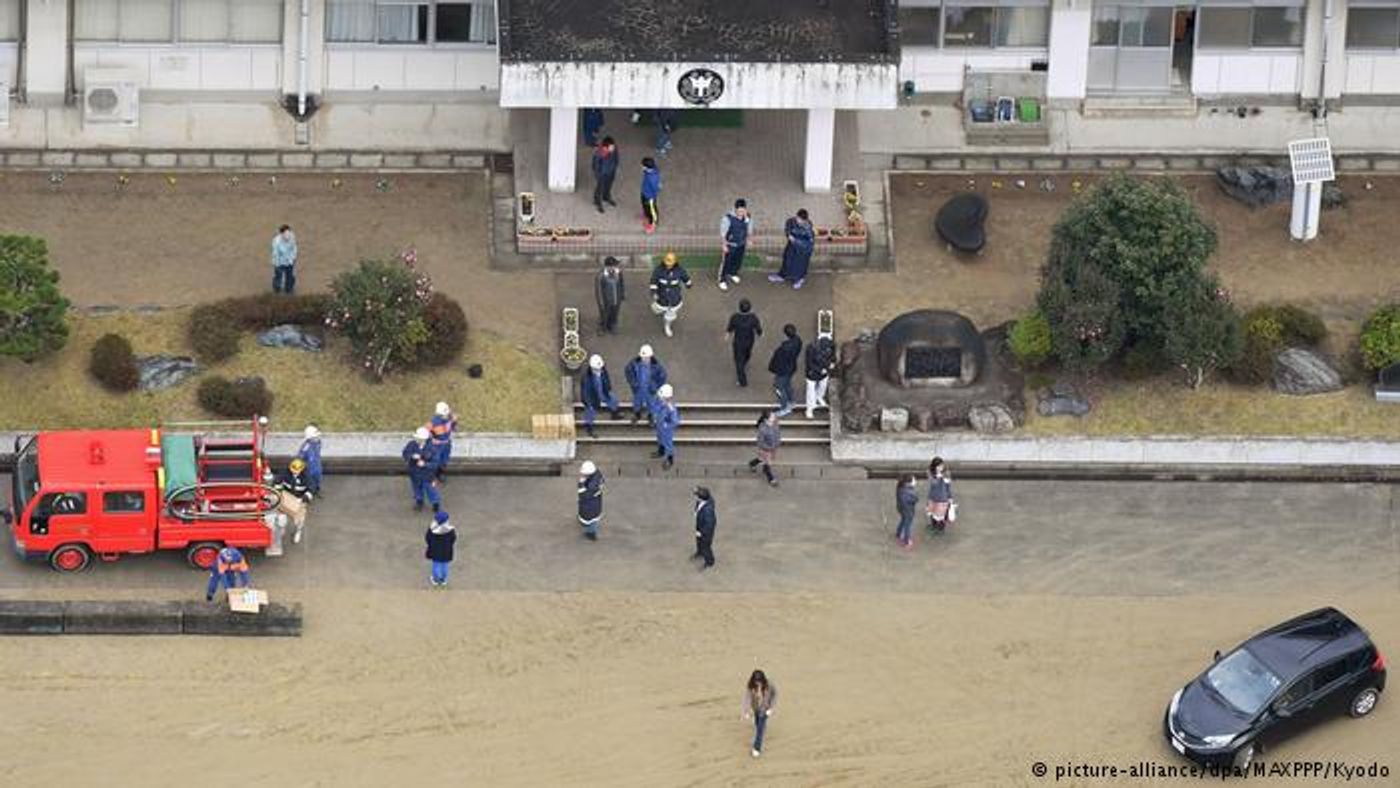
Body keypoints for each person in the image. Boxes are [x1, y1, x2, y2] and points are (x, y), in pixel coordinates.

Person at [649, 251, 692, 338]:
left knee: (670, 315)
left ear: (675, 262)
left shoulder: (680, 270)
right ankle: (658, 309)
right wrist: (653, 293)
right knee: (656, 309)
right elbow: (653, 282)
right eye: (667, 263)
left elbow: (687, 279)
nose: (668, 265)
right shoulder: (658, 270)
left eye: (670, 264)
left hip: (674, 298)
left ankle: (667, 326)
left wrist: (688, 284)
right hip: (662, 297)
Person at [770, 209, 814, 290]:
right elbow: (787, 229)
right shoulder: (791, 221)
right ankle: (782, 275)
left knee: (799, 265)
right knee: (787, 259)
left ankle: (799, 279)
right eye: (798, 219)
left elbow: (809, 242)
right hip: (791, 246)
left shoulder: (808, 228)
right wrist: (789, 235)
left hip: (802, 250)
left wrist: (796, 241)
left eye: (801, 220)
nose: (799, 221)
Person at [624, 344, 668, 424]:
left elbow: (663, 376)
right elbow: (628, 372)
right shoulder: (634, 364)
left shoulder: (656, 366)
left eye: (647, 357)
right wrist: (633, 383)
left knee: (651, 404)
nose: (645, 359)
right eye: (643, 357)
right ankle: (637, 415)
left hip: (650, 390)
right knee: (637, 403)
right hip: (638, 388)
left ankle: (650, 416)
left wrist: (656, 386)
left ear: (650, 356)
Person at [580, 354, 621, 438]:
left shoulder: (603, 371)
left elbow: (607, 380)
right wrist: (588, 402)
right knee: (590, 413)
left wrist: (608, 390)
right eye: (596, 369)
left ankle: (614, 414)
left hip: (603, 392)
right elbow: (585, 391)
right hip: (592, 397)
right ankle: (589, 429)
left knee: (614, 400)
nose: (598, 370)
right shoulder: (586, 378)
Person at [402, 427, 442, 513]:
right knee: (417, 488)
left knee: (430, 489)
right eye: (417, 438)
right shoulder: (411, 444)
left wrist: (425, 464)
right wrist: (411, 456)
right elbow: (405, 453)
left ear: (424, 439)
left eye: (419, 439)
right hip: (415, 473)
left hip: (427, 474)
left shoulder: (432, 448)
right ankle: (419, 501)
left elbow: (435, 464)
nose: (417, 440)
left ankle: (435, 503)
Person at [274, 458, 314, 545]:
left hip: (300, 499)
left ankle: (298, 531)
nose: (294, 472)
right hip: (286, 498)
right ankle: (281, 530)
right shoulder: (285, 472)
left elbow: (311, 490)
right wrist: (280, 494)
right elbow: (277, 483)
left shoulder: (306, 477)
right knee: (281, 518)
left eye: (297, 471)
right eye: (293, 470)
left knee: (299, 519)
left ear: (302, 469)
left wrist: (303, 499)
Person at [767, 324, 803, 417]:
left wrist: (773, 368)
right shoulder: (798, 341)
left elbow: (777, 361)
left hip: (782, 370)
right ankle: (791, 401)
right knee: (787, 385)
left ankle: (784, 407)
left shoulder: (783, 349)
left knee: (779, 388)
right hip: (791, 367)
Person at [725, 298, 762, 387]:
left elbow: (731, 327)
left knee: (738, 362)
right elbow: (758, 329)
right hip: (749, 340)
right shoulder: (753, 318)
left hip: (738, 341)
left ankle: (742, 381)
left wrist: (727, 333)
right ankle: (745, 360)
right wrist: (759, 334)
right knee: (747, 353)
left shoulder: (735, 317)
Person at [743, 670, 778, 758]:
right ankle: (761, 729)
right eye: (756, 681)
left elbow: (775, 695)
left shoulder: (769, 685)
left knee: (760, 729)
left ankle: (756, 748)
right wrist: (746, 711)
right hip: (756, 709)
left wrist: (771, 708)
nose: (758, 683)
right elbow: (747, 698)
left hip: (765, 710)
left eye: (759, 681)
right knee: (757, 724)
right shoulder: (750, 686)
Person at [719, 199, 751, 291]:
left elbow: (749, 228)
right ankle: (722, 280)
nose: (741, 213)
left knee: (738, 261)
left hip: (741, 244)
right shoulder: (727, 218)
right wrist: (724, 245)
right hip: (730, 244)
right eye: (739, 211)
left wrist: (749, 239)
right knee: (726, 262)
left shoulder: (747, 217)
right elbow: (723, 233)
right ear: (735, 209)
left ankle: (733, 273)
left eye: (743, 210)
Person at [803, 334, 837, 419]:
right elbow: (809, 363)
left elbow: (833, 357)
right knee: (810, 392)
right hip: (812, 373)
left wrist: (832, 363)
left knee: (823, 386)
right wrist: (819, 370)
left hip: (824, 372)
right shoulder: (811, 348)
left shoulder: (831, 345)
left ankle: (819, 397)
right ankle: (809, 409)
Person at [748, 410, 781, 488]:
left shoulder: (775, 424)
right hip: (765, 449)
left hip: (773, 448)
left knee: (761, 459)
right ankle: (771, 478)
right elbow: (760, 442)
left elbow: (777, 433)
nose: (774, 417)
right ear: (767, 420)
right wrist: (768, 448)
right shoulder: (762, 429)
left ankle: (752, 463)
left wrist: (777, 442)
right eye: (772, 416)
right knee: (767, 463)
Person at [427, 401, 458, 484]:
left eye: (447, 413)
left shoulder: (449, 418)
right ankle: (433, 475)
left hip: (446, 444)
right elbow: (426, 432)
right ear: (438, 414)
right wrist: (431, 440)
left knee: (444, 460)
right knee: (435, 460)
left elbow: (454, 428)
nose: (446, 415)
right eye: (444, 414)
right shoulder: (433, 422)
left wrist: (454, 422)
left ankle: (441, 473)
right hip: (437, 445)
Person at [424, 510, 457, 587]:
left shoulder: (432, 529)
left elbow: (427, 538)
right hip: (446, 550)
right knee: (445, 565)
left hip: (435, 551)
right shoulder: (450, 530)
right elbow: (453, 538)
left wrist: (430, 545)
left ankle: (436, 580)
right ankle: (443, 580)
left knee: (436, 565)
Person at [595, 256, 626, 334]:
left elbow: (621, 284)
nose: (613, 268)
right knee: (605, 313)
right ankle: (603, 327)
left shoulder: (618, 273)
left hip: (616, 298)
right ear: (607, 266)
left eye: (614, 266)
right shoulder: (601, 276)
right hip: (606, 300)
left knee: (615, 313)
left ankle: (612, 326)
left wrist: (622, 294)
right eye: (611, 266)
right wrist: (601, 302)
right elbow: (598, 290)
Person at [653, 383, 680, 470]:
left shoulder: (670, 407)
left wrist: (667, 425)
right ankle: (661, 451)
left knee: (668, 443)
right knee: (660, 439)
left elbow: (675, 421)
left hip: (666, 429)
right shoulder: (660, 403)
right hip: (660, 425)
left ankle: (670, 459)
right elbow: (656, 409)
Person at [577, 460, 605, 541]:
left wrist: (581, 484)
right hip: (596, 504)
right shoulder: (598, 475)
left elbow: (583, 495)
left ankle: (591, 534)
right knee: (594, 519)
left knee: (591, 521)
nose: (582, 474)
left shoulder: (591, 486)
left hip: (589, 507)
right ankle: (591, 530)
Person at [591, 136, 619, 214]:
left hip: (611, 172)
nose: (613, 148)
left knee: (608, 186)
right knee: (600, 188)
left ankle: (606, 197)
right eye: (611, 146)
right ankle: (598, 201)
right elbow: (595, 165)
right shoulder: (599, 154)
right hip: (602, 174)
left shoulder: (614, 149)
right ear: (605, 147)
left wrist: (614, 167)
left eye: (613, 146)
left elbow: (616, 158)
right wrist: (598, 175)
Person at [926, 456, 954, 534]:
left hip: (942, 498)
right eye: (938, 466)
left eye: (941, 466)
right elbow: (933, 483)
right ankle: (933, 525)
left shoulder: (946, 473)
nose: (940, 468)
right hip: (932, 496)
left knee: (941, 515)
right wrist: (939, 477)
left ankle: (941, 529)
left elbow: (948, 486)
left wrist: (950, 496)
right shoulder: (930, 472)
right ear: (934, 467)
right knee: (932, 512)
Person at [691, 486, 716, 570]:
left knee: (706, 546)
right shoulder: (703, 501)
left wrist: (701, 532)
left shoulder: (708, 511)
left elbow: (709, 525)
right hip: (700, 526)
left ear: (701, 498)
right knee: (699, 541)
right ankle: (700, 552)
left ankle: (709, 561)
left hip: (705, 532)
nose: (695, 497)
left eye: (697, 495)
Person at [271, 224, 298, 294]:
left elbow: (294, 248)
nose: (287, 236)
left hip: (289, 261)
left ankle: (289, 290)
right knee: (278, 277)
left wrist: (293, 258)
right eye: (285, 234)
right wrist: (277, 264)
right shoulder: (276, 241)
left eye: (289, 233)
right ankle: (276, 289)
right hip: (279, 262)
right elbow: (275, 253)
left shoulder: (292, 237)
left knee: (290, 276)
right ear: (281, 234)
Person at [297, 424, 323, 497]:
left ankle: (316, 490)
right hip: (309, 467)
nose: (318, 438)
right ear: (310, 437)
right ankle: (309, 493)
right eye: (316, 437)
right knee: (309, 480)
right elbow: (300, 458)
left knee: (317, 478)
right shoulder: (306, 447)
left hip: (317, 465)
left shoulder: (318, 443)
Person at [895, 474, 919, 549]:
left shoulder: (900, 488)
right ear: (908, 483)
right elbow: (915, 499)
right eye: (914, 480)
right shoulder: (909, 491)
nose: (915, 481)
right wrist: (915, 498)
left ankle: (898, 534)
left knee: (903, 520)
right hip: (908, 511)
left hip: (901, 509)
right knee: (908, 526)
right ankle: (906, 540)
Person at [640, 157, 662, 234]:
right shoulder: (648, 171)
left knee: (652, 211)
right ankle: (646, 213)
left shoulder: (653, 178)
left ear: (647, 167)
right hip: (644, 192)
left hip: (650, 197)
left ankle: (653, 224)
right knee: (644, 205)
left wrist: (652, 197)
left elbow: (656, 188)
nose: (641, 166)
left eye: (643, 165)